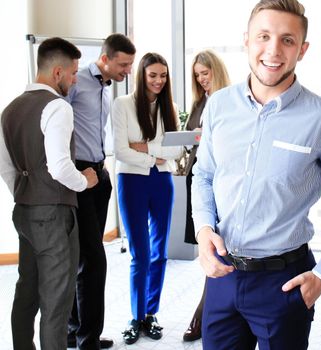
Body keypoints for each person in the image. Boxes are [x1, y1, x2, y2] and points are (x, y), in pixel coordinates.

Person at [191, 0, 321, 349]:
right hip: (222, 275)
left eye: (287, 40)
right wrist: (203, 232)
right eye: (264, 36)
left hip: (284, 283)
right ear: (246, 40)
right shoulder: (219, 106)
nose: (273, 50)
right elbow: (203, 176)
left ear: (302, 50)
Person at [0, 37, 98, 350]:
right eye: (72, 73)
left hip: (24, 210)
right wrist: (85, 181)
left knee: (26, 292)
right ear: (57, 72)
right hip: (54, 214)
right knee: (57, 299)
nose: (74, 79)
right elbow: (59, 167)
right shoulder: (57, 106)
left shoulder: (10, 109)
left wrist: (24, 192)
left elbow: (5, 167)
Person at [66, 33, 136, 350]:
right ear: (105, 59)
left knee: (81, 256)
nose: (128, 71)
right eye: (123, 64)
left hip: (99, 173)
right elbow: (52, 126)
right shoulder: (76, 81)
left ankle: (73, 330)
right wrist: (73, 169)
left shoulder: (105, 87)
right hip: (79, 174)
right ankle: (87, 340)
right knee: (93, 262)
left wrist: (101, 170)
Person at [112, 52, 184, 345]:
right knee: (140, 254)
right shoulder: (123, 105)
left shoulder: (171, 107)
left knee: (160, 253)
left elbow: (176, 151)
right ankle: (136, 315)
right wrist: (155, 155)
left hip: (162, 182)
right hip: (130, 181)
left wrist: (145, 149)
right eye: (152, 75)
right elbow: (120, 150)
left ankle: (150, 314)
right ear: (141, 75)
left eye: (163, 75)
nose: (158, 81)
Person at [182, 49, 230, 342]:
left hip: (220, 181)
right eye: (197, 76)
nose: (201, 80)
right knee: (206, 247)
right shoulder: (200, 102)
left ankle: (202, 316)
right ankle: (205, 315)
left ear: (216, 70)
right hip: (198, 177)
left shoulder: (230, 100)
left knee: (217, 250)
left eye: (205, 74)